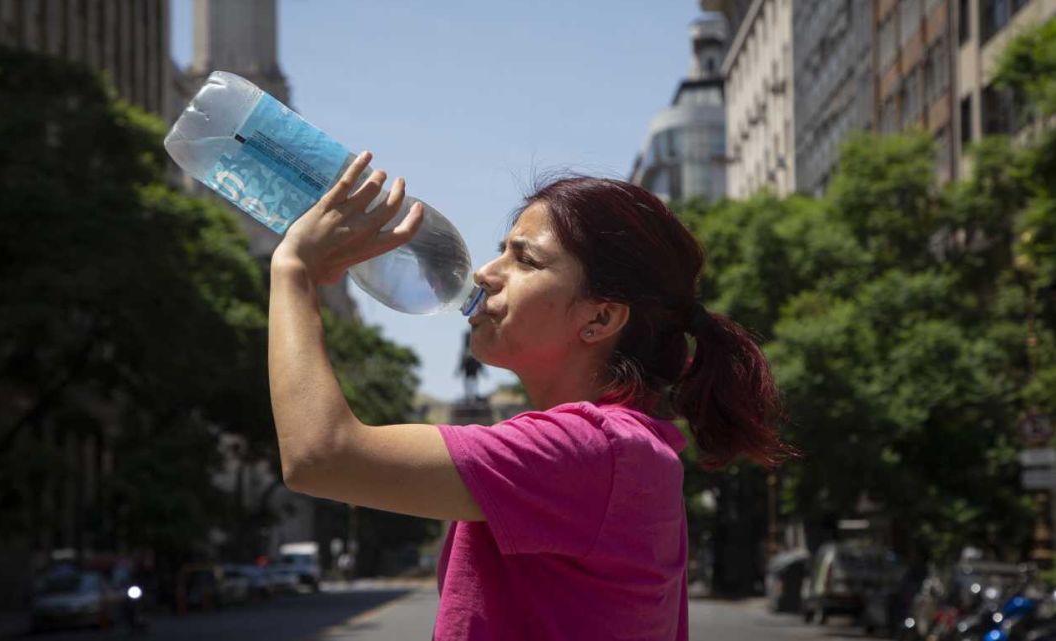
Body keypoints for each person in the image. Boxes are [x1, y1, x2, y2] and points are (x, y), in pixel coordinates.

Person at [268, 152, 796, 640]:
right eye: (503, 250)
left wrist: (293, 272)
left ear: (601, 317)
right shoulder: (619, 448)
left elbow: (322, 456)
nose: (484, 273)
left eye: (525, 260)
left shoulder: (588, 451)